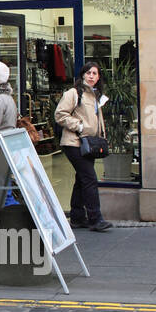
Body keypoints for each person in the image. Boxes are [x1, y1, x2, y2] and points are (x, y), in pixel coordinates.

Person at [54, 62, 114, 232]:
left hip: (90, 143)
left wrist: (101, 136)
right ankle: (95, 218)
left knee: (82, 180)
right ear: (82, 75)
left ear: (99, 76)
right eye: (88, 73)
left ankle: (77, 217)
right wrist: (78, 126)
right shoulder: (73, 93)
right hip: (74, 142)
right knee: (89, 179)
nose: (91, 76)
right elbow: (60, 114)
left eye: (95, 73)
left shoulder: (95, 95)